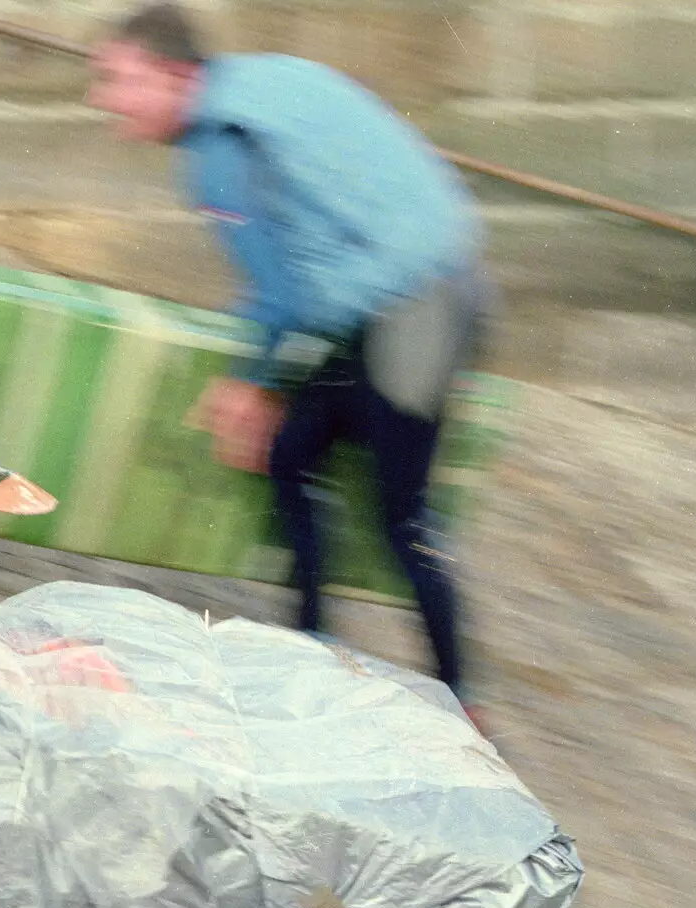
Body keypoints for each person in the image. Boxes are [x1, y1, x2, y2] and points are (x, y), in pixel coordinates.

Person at [86, 4, 492, 728]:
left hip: (417, 316)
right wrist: (266, 389)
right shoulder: (262, 80)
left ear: (177, 75)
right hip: (411, 294)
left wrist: (248, 385)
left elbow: (278, 296)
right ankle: (308, 645)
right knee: (291, 452)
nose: (104, 98)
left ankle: (463, 701)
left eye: (117, 79)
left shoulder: (221, 150)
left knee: (400, 516)